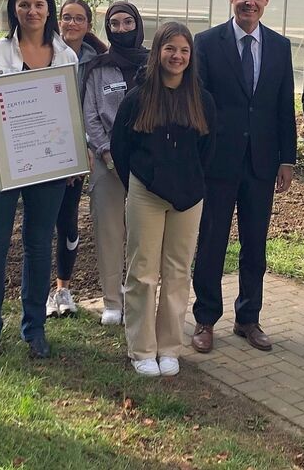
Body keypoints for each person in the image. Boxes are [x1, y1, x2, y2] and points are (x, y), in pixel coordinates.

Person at [0, 0, 78, 357]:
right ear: (14, 9)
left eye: (38, 4)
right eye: (23, 4)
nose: (31, 11)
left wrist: (72, 157)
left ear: (48, 10)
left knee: (38, 244)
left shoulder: (66, 56)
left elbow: (70, 111)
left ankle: (34, 328)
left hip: (47, 163)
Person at [191, 0, 296, 354]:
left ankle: (248, 318)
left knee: (255, 244)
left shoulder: (280, 46)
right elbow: (198, 103)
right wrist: (199, 156)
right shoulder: (206, 43)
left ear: (267, 1)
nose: (249, 2)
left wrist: (287, 159)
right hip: (218, 162)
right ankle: (205, 319)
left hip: (261, 163)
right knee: (211, 243)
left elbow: (284, 106)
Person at [111, 22, 216, 377]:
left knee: (177, 272)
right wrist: (139, 182)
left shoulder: (202, 100)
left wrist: (192, 181)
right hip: (146, 193)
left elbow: (208, 150)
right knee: (142, 272)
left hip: (189, 195)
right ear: (157, 52)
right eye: (170, 48)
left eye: (184, 50)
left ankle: (169, 347)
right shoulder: (138, 98)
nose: (177, 56)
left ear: (191, 56)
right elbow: (120, 147)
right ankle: (142, 348)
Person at [81, 1, 149, 326]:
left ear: (138, 25)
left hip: (146, 162)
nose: (121, 29)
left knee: (143, 234)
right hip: (107, 162)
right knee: (109, 231)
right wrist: (107, 152)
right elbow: (90, 114)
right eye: (114, 24)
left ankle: (138, 298)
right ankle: (112, 300)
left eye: (127, 23)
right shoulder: (98, 68)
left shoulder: (153, 63)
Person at [49, 0, 108, 318]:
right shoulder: (44, 51)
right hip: (43, 148)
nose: (71, 23)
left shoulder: (96, 62)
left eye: (78, 19)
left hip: (76, 150)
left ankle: (63, 288)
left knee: (67, 219)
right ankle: (39, 290)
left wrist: (78, 149)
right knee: (39, 221)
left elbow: (93, 108)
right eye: (66, 17)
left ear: (88, 25)